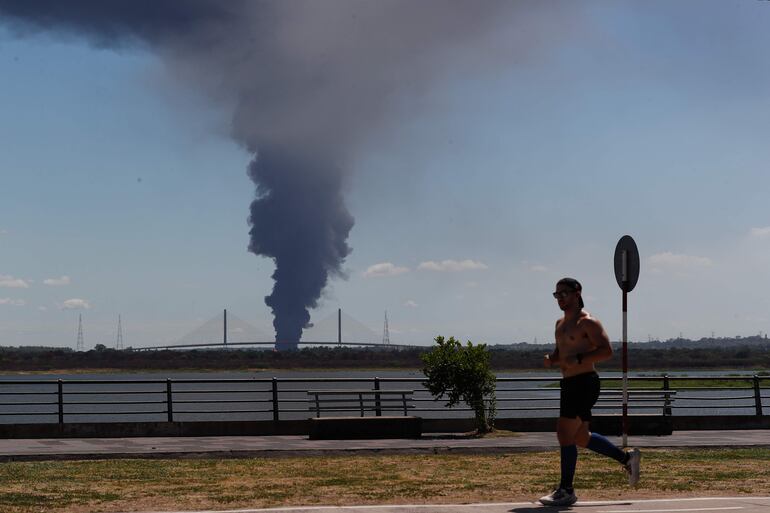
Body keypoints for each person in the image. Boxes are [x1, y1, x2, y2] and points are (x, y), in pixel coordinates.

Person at [538, 277, 641, 507]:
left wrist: (581, 358)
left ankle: (566, 490)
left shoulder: (588, 322)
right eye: (557, 295)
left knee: (564, 433)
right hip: (569, 384)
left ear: (577, 293)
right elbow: (561, 351)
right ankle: (627, 459)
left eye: (564, 293)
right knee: (580, 438)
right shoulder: (559, 324)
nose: (560, 299)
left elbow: (606, 351)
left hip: (585, 382)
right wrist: (552, 359)